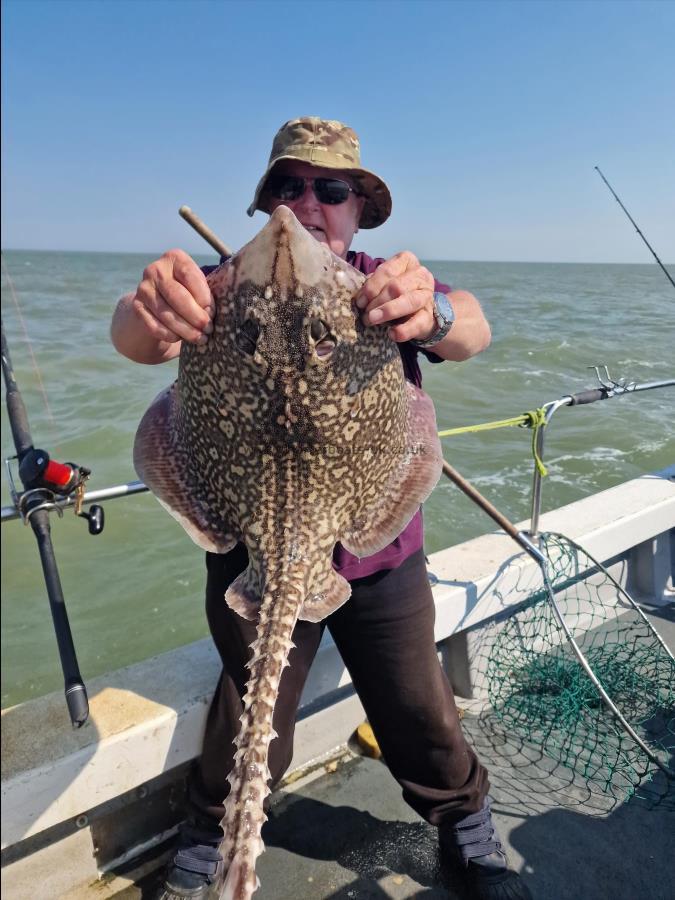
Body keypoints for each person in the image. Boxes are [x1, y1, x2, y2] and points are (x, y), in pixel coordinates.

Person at [111, 117, 531, 900]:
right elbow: (135, 337)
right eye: (286, 186)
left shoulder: (382, 282)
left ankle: (459, 819)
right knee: (247, 712)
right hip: (255, 546)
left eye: (330, 189)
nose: (306, 203)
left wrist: (433, 315)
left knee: (418, 707)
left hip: (379, 550)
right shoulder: (218, 286)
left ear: (358, 208)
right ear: (265, 200)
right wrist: (149, 313)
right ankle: (216, 823)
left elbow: (470, 323)